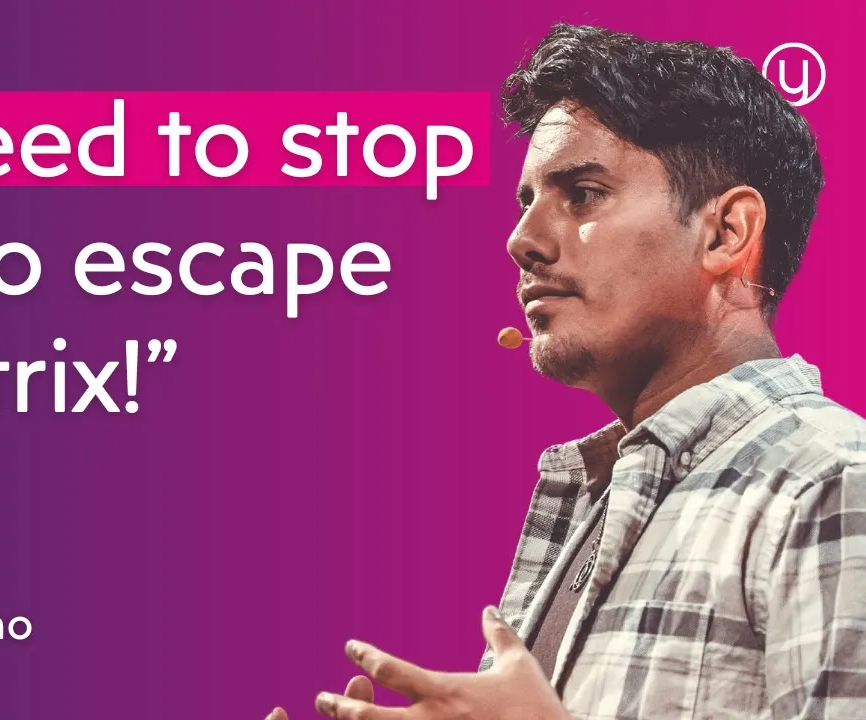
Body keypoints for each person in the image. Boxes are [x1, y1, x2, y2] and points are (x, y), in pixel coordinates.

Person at [268, 23, 866, 720]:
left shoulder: (831, 485)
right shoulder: (602, 502)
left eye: (582, 193)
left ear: (725, 233)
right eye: (526, 202)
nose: (521, 240)